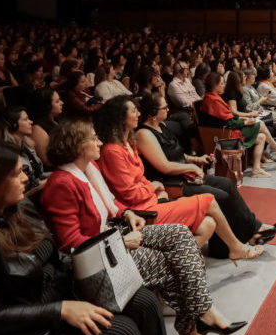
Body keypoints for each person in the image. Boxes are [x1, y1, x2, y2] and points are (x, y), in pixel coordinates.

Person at [0, 142, 166, 335]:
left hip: (58, 292)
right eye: (16, 173)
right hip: (25, 322)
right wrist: (61, 310)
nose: (25, 178)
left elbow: (57, 257)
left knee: (142, 300)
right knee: (121, 331)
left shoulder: (18, 209)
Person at [40, 119, 247, 335]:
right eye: (93, 138)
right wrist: (121, 241)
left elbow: (109, 202)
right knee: (171, 261)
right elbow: (71, 245)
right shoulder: (61, 183)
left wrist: (127, 213)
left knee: (180, 233)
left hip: (114, 237)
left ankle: (202, 316)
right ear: (77, 145)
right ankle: (194, 327)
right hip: (99, 262)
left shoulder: (88, 169)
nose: (99, 142)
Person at [93, 96, 266, 261]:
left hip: (153, 198)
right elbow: (131, 194)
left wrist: (155, 188)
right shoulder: (113, 151)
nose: (138, 114)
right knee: (211, 200)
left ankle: (176, 265)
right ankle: (236, 248)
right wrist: (154, 187)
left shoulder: (128, 143)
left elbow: (141, 178)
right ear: (121, 119)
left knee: (209, 223)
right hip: (141, 211)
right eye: (133, 111)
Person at [128, 92, 276, 254]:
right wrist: (191, 167)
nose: (167, 109)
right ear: (153, 112)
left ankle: (253, 230)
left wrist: (197, 160)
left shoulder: (162, 126)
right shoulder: (143, 134)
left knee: (227, 184)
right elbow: (165, 166)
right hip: (171, 183)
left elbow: (178, 155)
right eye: (164, 107)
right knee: (220, 196)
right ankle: (224, 247)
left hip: (183, 175)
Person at [198, 72, 270, 178]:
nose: (224, 85)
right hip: (225, 134)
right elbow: (228, 122)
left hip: (228, 128)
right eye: (222, 83)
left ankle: (256, 168)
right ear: (215, 85)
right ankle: (273, 147)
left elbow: (229, 116)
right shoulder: (213, 100)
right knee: (257, 125)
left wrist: (243, 118)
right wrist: (245, 121)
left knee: (262, 136)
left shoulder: (214, 97)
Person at [0, 106, 47, 190]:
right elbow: (25, 186)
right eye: (26, 119)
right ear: (13, 125)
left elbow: (40, 175)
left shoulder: (27, 145)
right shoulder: (5, 154)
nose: (31, 122)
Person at [27, 87, 62, 167]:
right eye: (57, 101)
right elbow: (47, 162)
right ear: (47, 106)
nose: (62, 103)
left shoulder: (56, 119)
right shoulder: (37, 128)